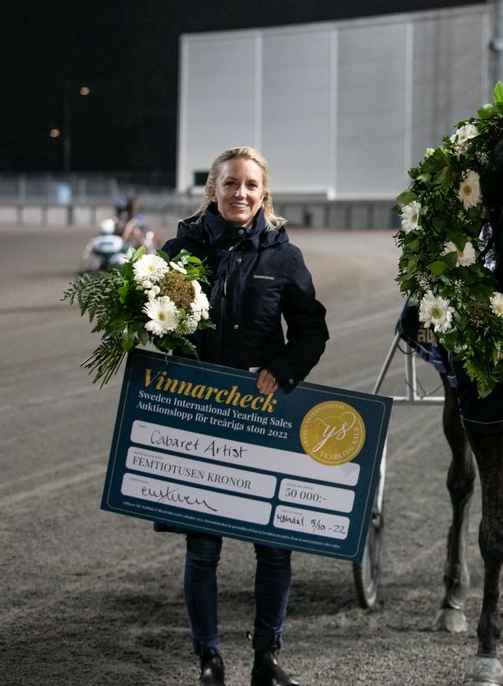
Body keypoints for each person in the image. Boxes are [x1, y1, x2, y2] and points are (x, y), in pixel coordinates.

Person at [162, 146, 329, 686]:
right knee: (203, 548)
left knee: (274, 547)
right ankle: (209, 659)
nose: (241, 194)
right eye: (230, 183)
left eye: (251, 186)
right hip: (201, 415)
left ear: (264, 193)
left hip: (261, 417)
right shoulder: (179, 251)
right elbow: (152, 322)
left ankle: (267, 658)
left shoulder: (284, 256)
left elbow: (311, 330)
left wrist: (283, 370)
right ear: (212, 189)